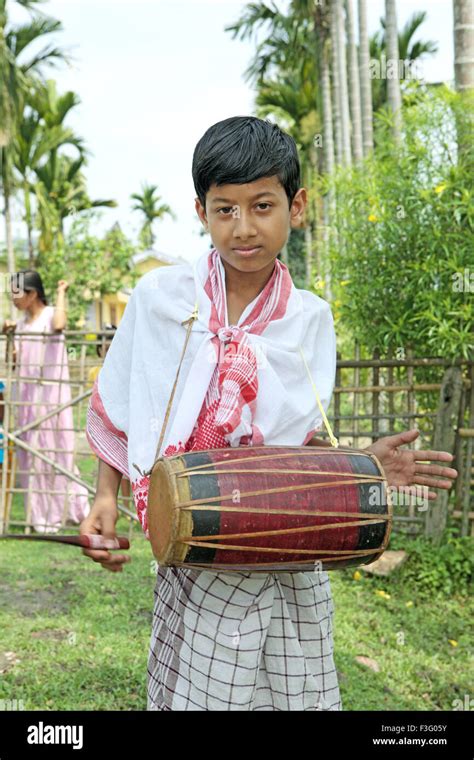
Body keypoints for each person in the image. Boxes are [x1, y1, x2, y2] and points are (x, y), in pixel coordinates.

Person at [81, 116, 457, 711]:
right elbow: (125, 401)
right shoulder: (161, 299)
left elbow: (292, 450)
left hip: (285, 551)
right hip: (198, 543)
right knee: (203, 691)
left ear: (296, 205)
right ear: (201, 211)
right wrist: (105, 498)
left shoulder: (310, 320)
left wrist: (360, 468)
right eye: (224, 209)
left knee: (292, 690)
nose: (243, 228)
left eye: (262, 205)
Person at [2, 271, 90, 533]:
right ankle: (41, 515)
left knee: (57, 451)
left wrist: (62, 291)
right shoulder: (21, 325)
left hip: (51, 397)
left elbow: (61, 324)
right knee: (32, 455)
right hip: (28, 398)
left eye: (17, 292)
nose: (13, 298)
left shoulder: (51, 314)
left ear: (32, 294)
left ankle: (72, 509)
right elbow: (16, 361)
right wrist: (9, 337)